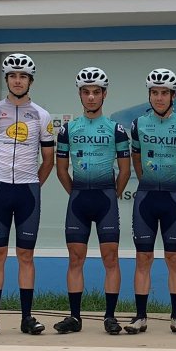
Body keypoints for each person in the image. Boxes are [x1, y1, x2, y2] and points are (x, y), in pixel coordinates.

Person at [0, 53, 55, 336]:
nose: (17, 81)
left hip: (27, 190)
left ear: (30, 81)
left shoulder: (42, 115)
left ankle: (27, 318)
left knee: (25, 255)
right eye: (12, 76)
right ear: (7, 79)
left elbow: (48, 160)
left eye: (22, 76)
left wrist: (33, 184)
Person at [53, 67, 131, 335]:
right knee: (76, 259)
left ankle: (110, 316)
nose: (91, 97)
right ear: (80, 94)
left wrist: (113, 194)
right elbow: (61, 169)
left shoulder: (115, 129)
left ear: (104, 95)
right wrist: (76, 192)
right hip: (79, 200)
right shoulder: (68, 129)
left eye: (96, 92)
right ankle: (75, 317)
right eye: (86, 92)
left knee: (111, 258)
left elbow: (125, 171)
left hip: (106, 198)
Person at [125, 68, 176, 335]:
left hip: (172, 198)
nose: (158, 97)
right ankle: (140, 317)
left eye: (164, 93)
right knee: (143, 257)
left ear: (173, 95)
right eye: (154, 92)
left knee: (174, 258)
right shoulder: (138, 124)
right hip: (146, 196)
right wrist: (147, 180)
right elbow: (136, 158)